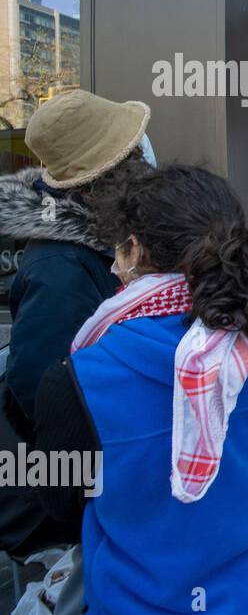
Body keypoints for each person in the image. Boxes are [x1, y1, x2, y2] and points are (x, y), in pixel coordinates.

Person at [32, 166, 248, 615]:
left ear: (134, 249)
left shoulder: (80, 379)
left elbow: (61, 509)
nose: (115, 262)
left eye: (118, 247)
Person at [0, 90, 153, 556]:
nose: (147, 154)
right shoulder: (62, 269)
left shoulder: (99, 244)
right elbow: (40, 386)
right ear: (110, 175)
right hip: (74, 501)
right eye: (135, 148)